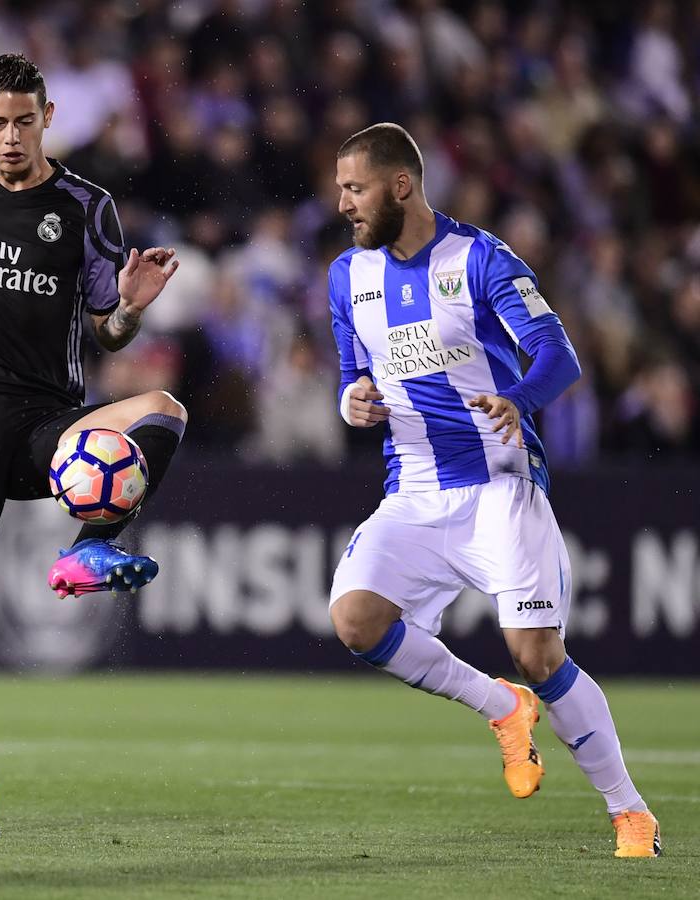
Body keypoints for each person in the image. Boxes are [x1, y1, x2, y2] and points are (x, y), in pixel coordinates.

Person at [327, 123, 660, 859]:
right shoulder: (348, 274)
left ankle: (630, 812)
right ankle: (502, 707)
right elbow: (352, 372)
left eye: (354, 188)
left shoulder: (479, 259)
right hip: (413, 490)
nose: (342, 202)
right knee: (354, 619)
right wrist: (350, 399)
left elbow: (558, 354)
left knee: (537, 653)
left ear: (401, 185)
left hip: (499, 486)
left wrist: (518, 397)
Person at [0, 54, 187, 839]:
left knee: (162, 409)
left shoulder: (86, 207)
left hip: (46, 418)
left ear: (48, 118)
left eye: (25, 120)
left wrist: (130, 309)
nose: (12, 136)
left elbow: (107, 330)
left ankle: (90, 549)